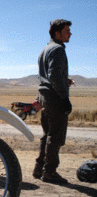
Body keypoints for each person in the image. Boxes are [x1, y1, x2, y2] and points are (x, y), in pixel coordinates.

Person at [33, 19, 72, 184]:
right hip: (54, 97)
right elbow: (54, 75)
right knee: (55, 135)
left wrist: (64, 80)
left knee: (47, 134)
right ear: (57, 33)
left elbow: (50, 75)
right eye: (67, 30)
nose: (70, 33)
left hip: (45, 96)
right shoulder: (58, 49)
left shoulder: (45, 49)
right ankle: (49, 172)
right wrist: (64, 97)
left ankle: (39, 167)